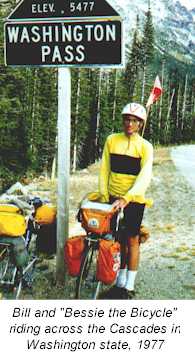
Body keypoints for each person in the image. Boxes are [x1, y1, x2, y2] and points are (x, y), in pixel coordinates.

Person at [99, 102, 153, 299]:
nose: (129, 123)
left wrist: (127, 197)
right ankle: (119, 282)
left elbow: (144, 176)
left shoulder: (145, 146)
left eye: (134, 121)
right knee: (117, 239)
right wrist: (104, 194)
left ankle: (129, 286)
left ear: (140, 124)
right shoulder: (112, 140)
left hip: (134, 199)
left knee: (132, 239)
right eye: (127, 119)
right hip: (113, 197)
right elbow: (105, 168)